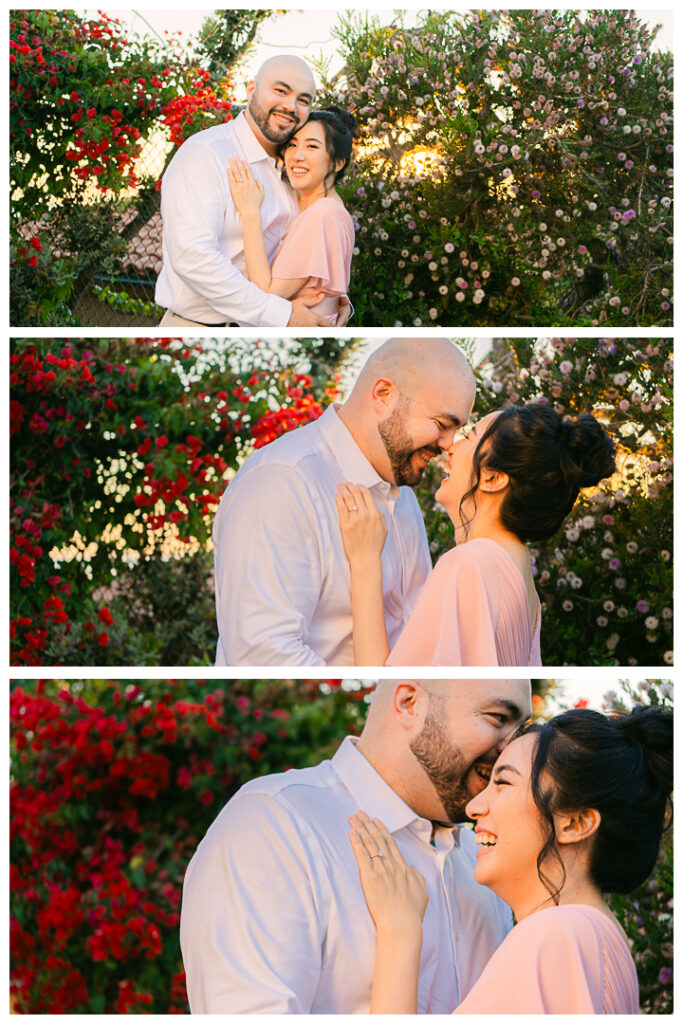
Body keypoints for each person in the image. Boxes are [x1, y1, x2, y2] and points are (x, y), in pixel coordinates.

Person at [180, 679, 533, 1013]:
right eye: (498, 719)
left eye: (519, 731)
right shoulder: (274, 824)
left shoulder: (484, 857)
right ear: (409, 703)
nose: (509, 750)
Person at [350, 703, 673, 1014]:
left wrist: (400, 933)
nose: (473, 807)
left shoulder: (557, 935)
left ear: (575, 823)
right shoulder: (597, 939)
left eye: (503, 783)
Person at [212, 338, 476, 665]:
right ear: (383, 394)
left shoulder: (402, 495)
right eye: (441, 424)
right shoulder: (281, 481)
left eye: (456, 430)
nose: (449, 445)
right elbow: (262, 655)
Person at [337, 403, 616, 666]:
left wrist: (365, 562)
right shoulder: (518, 572)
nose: (450, 446)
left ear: (494, 478)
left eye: (469, 437)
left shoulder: (469, 564)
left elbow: (391, 683)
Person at [155, 55, 349, 328]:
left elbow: (312, 247)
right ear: (251, 90)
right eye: (280, 91)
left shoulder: (297, 172)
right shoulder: (206, 153)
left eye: (303, 100)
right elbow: (193, 257)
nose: (290, 106)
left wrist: (328, 299)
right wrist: (281, 315)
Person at [227, 106, 358, 325]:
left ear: (338, 162)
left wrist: (250, 213)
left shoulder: (321, 214)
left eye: (312, 146)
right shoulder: (332, 210)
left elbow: (265, 295)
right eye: (292, 145)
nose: (297, 156)